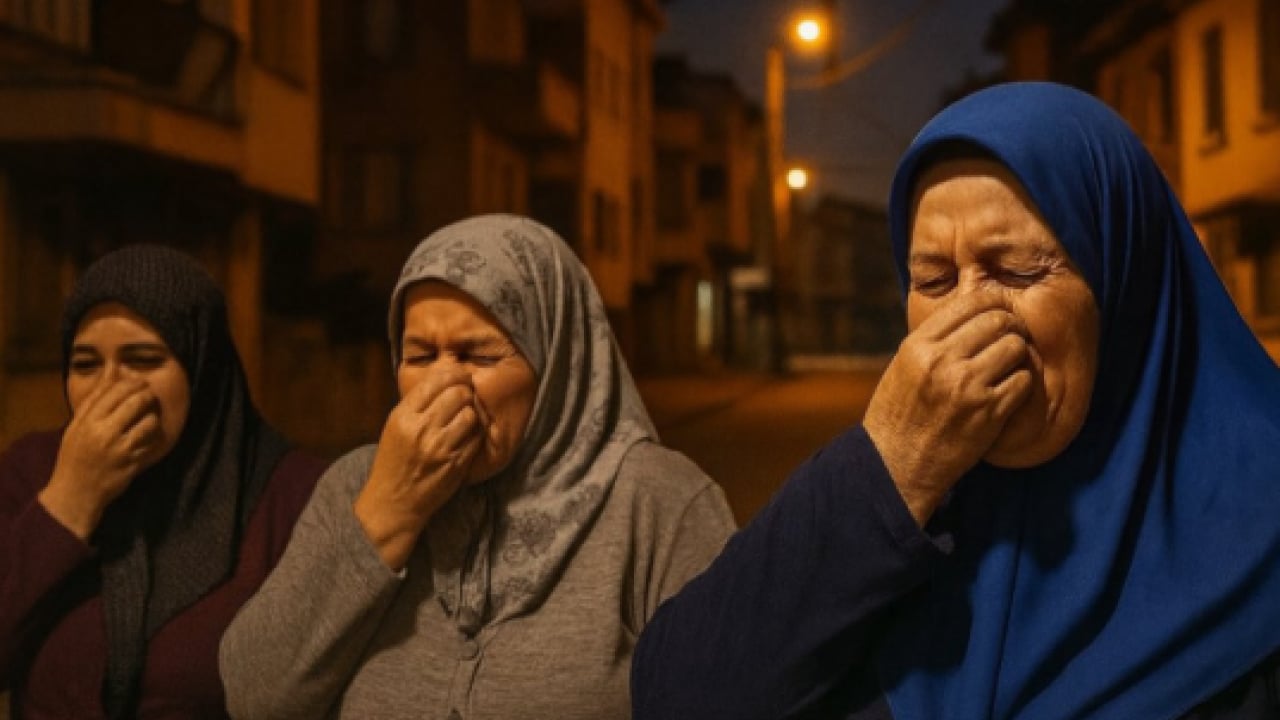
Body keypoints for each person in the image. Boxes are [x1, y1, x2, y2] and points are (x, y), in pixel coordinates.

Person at [631, 81, 1280, 719]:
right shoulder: (909, 511)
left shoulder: (1260, 519)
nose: (967, 318)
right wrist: (890, 463)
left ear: (1122, 291)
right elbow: (677, 699)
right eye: (935, 280)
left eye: (1018, 271)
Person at [219, 213, 736, 719]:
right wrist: (387, 513)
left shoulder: (657, 501)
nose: (442, 385)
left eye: (480, 356)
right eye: (420, 357)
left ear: (555, 363)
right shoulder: (356, 484)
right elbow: (253, 696)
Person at [0, 245, 326, 718]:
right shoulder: (31, 471)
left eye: (143, 359)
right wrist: (69, 501)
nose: (109, 386)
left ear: (200, 370)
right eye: (86, 364)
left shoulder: (290, 494)